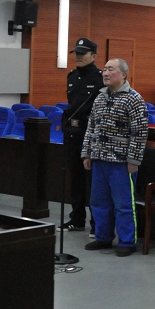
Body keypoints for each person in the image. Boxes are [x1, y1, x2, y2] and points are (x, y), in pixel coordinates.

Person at [81, 58, 149, 257]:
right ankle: (103, 238)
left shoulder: (134, 99)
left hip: (121, 162)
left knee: (123, 204)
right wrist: (87, 153)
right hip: (99, 159)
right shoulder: (100, 97)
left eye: (110, 69)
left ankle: (127, 242)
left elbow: (139, 133)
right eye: (104, 69)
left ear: (123, 75)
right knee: (99, 202)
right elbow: (91, 127)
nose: (105, 73)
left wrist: (134, 160)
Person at [58, 38, 104, 238]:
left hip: (89, 133)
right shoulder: (72, 76)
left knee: (93, 181)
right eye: (76, 53)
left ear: (93, 56)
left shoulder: (100, 78)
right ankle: (77, 219)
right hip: (73, 134)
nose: (78, 56)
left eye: (82, 53)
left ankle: (96, 223)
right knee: (75, 179)